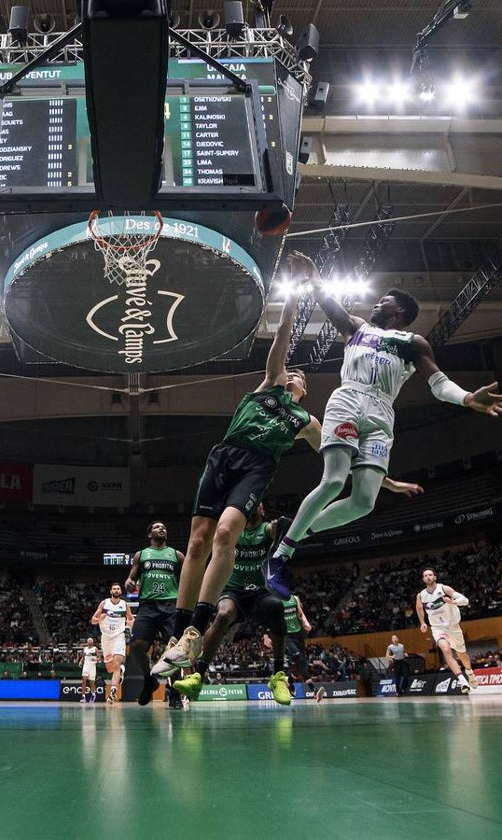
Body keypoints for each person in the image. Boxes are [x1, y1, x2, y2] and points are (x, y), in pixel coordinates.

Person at [265, 281, 502, 596]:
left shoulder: (414, 343)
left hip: (382, 414)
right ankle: (280, 556)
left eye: (382, 300)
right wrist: (313, 278)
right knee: (333, 482)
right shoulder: (356, 327)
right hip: (349, 400)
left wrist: (466, 398)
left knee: (363, 503)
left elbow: (439, 384)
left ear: (398, 312)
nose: (375, 304)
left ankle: (295, 529)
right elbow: (329, 303)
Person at [149, 253, 323, 678]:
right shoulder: (268, 385)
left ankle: (195, 629)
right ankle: (177, 636)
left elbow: (339, 457)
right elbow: (283, 334)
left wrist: (384, 480)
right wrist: (295, 291)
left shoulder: (305, 422)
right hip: (225, 455)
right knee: (196, 543)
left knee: (226, 532)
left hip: (257, 468)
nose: (294, 374)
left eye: (300, 376)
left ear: (305, 388)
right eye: (291, 371)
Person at [172, 503, 292, 704]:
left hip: (259, 593)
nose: (255, 507)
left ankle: (278, 676)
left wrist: (282, 525)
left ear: (262, 510)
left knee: (277, 606)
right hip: (233, 591)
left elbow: (279, 527)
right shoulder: (234, 530)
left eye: (259, 505)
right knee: (223, 614)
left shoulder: (266, 530)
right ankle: (198, 676)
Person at [124, 521, 184, 705]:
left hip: (170, 606)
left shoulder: (177, 555)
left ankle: (174, 691)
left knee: (174, 651)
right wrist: (128, 581)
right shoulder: (141, 555)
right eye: (157, 527)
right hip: (148, 606)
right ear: (149, 534)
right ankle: (149, 680)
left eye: (164, 527)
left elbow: (188, 579)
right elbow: (131, 577)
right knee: (136, 645)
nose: (162, 528)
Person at [415, 569, 474, 694]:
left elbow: (465, 600)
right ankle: (462, 680)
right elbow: (419, 608)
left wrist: (453, 602)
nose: (428, 577)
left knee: (462, 655)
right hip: (437, 627)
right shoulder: (421, 595)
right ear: (423, 579)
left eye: (430, 575)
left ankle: (469, 672)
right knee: (446, 650)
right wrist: (423, 622)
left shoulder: (444, 589)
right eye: (425, 575)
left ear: (435, 577)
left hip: (453, 627)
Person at [91, 583, 133, 703]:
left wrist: (129, 625)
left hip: (118, 636)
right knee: (110, 669)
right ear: (111, 591)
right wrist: (100, 619)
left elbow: (131, 619)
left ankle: (113, 691)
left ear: (120, 591)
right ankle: (120, 671)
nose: (116, 590)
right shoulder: (104, 603)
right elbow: (93, 620)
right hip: (106, 638)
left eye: (118, 589)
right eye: (114, 588)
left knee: (117, 664)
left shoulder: (125, 605)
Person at [79, 637, 99, 703]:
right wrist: (81, 662)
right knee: (84, 680)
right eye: (89, 641)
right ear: (87, 642)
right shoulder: (85, 649)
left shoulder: (95, 649)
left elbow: (99, 658)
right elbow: (83, 657)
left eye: (91, 641)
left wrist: (96, 659)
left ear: (92, 642)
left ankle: (93, 695)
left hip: (92, 666)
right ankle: (83, 696)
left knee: (92, 682)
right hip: (86, 666)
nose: (90, 642)